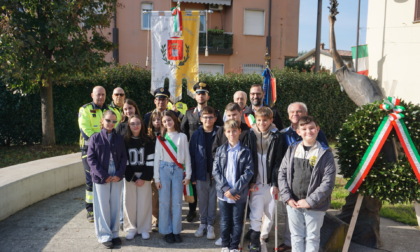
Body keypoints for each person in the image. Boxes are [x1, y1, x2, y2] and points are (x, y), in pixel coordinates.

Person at [278, 116, 336, 252]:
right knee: (296, 235)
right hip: (293, 203)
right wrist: (287, 197)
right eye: (303, 129)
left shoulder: (325, 154)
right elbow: (282, 173)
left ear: (317, 129)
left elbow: (328, 182)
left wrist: (310, 201)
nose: (308, 131)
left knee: (312, 237)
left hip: (315, 205)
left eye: (311, 128)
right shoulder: (292, 149)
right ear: (298, 132)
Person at [181, 82, 223, 222]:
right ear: (195, 96)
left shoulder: (215, 113)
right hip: (194, 153)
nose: (201, 95)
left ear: (208, 96)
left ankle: (210, 215)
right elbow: (183, 132)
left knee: (209, 186)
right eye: (198, 93)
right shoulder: (188, 113)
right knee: (194, 183)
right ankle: (192, 210)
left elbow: (221, 132)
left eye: (203, 93)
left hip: (211, 153)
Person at [245, 107, 284, 251]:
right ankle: (254, 240)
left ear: (271, 120)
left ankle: (263, 236)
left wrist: (275, 182)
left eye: (265, 120)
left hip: (271, 184)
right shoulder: (249, 134)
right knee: (255, 212)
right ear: (256, 119)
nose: (262, 123)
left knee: (270, 213)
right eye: (259, 120)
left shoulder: (277, 136)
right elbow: (247, 160)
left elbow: (278, 161)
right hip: (256, 183)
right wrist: (250, 181)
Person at [87, 110, 127, 249]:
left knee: (116, 205)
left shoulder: (119, 138)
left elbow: (123, 158)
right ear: (102, 121)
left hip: (116, 173)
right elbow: (91, 159)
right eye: (108, 120)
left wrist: (119, 173)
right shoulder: (95, 138)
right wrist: (103, 175)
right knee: (103, 207)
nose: (111, 123)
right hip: (101, 175)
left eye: (114, 121)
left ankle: (115, 233)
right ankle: (104, 235)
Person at [212, 119, 254, 252]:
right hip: (223, 193)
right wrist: (226, 189)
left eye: (234, 131)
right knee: (224, 221)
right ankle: (225, 244)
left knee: (237, 222)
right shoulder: (220, 150)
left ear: (239, 132)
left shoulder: (246, 151)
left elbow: (249, 172)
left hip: (238, 193)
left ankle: (234, 246)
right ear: (225, 133)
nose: (232, 134)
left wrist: (235, 190)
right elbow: (216, 170)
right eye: (229, 131)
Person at [154, 111, 191, 243]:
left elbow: (187, 157)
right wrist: (156, 178)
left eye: (169, 120)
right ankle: (166, 231)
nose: (167, 123)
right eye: (164, 121)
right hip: (164, 170)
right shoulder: (160, 138)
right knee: (164, 202)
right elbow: (157, 159)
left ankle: (176, 230)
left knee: (177, 202)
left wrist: (188, 175)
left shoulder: (182, 136)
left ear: (174, 120)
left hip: (178, 171)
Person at [78, 86, 109, 222]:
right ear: (92, 95)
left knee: (104, 178)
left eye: (103, 94)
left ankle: (103, 207)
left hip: (106, 150)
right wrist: (99, 143)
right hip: (88, 150)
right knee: (91, 179)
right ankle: (90, 210)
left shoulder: (108, 110)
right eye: (98, 95)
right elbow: (85, 129)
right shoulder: (85, 109)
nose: (101, 97)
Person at [189, 106, 220, 240]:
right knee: (202, 200)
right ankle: (202, 223)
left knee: (212, 200)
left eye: (210, 117)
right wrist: (193, 175)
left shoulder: (220, 132)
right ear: (201, 119)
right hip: (200, 173)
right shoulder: (196, 134)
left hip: (215, 173)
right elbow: (191, 155)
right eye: (205, 117)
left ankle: (210, 224)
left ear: (215, 118)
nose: (208, 119)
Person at [123, 115, 155, 241]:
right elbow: (124, 161)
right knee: (129, 203)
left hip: (144, 177)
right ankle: (131, 228)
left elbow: (151, 160)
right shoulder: (124, 141)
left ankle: (144, 228)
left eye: (138, 123)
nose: (135, 126)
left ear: (142, 125)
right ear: (129, 126)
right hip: (130, 177)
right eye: (132, 124)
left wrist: (144, 177)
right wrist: (132, 177)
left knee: (144, 203)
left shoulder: (148, 140)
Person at [147, 111, 162, 232]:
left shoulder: (167, 134)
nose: (157, 121)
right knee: (154, 196)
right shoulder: (148, 136)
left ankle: (164, 218)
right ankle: (154, 219)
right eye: (154, 120)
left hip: (165, 168)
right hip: (152, 169)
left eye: (159, 119)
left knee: (164, 195)